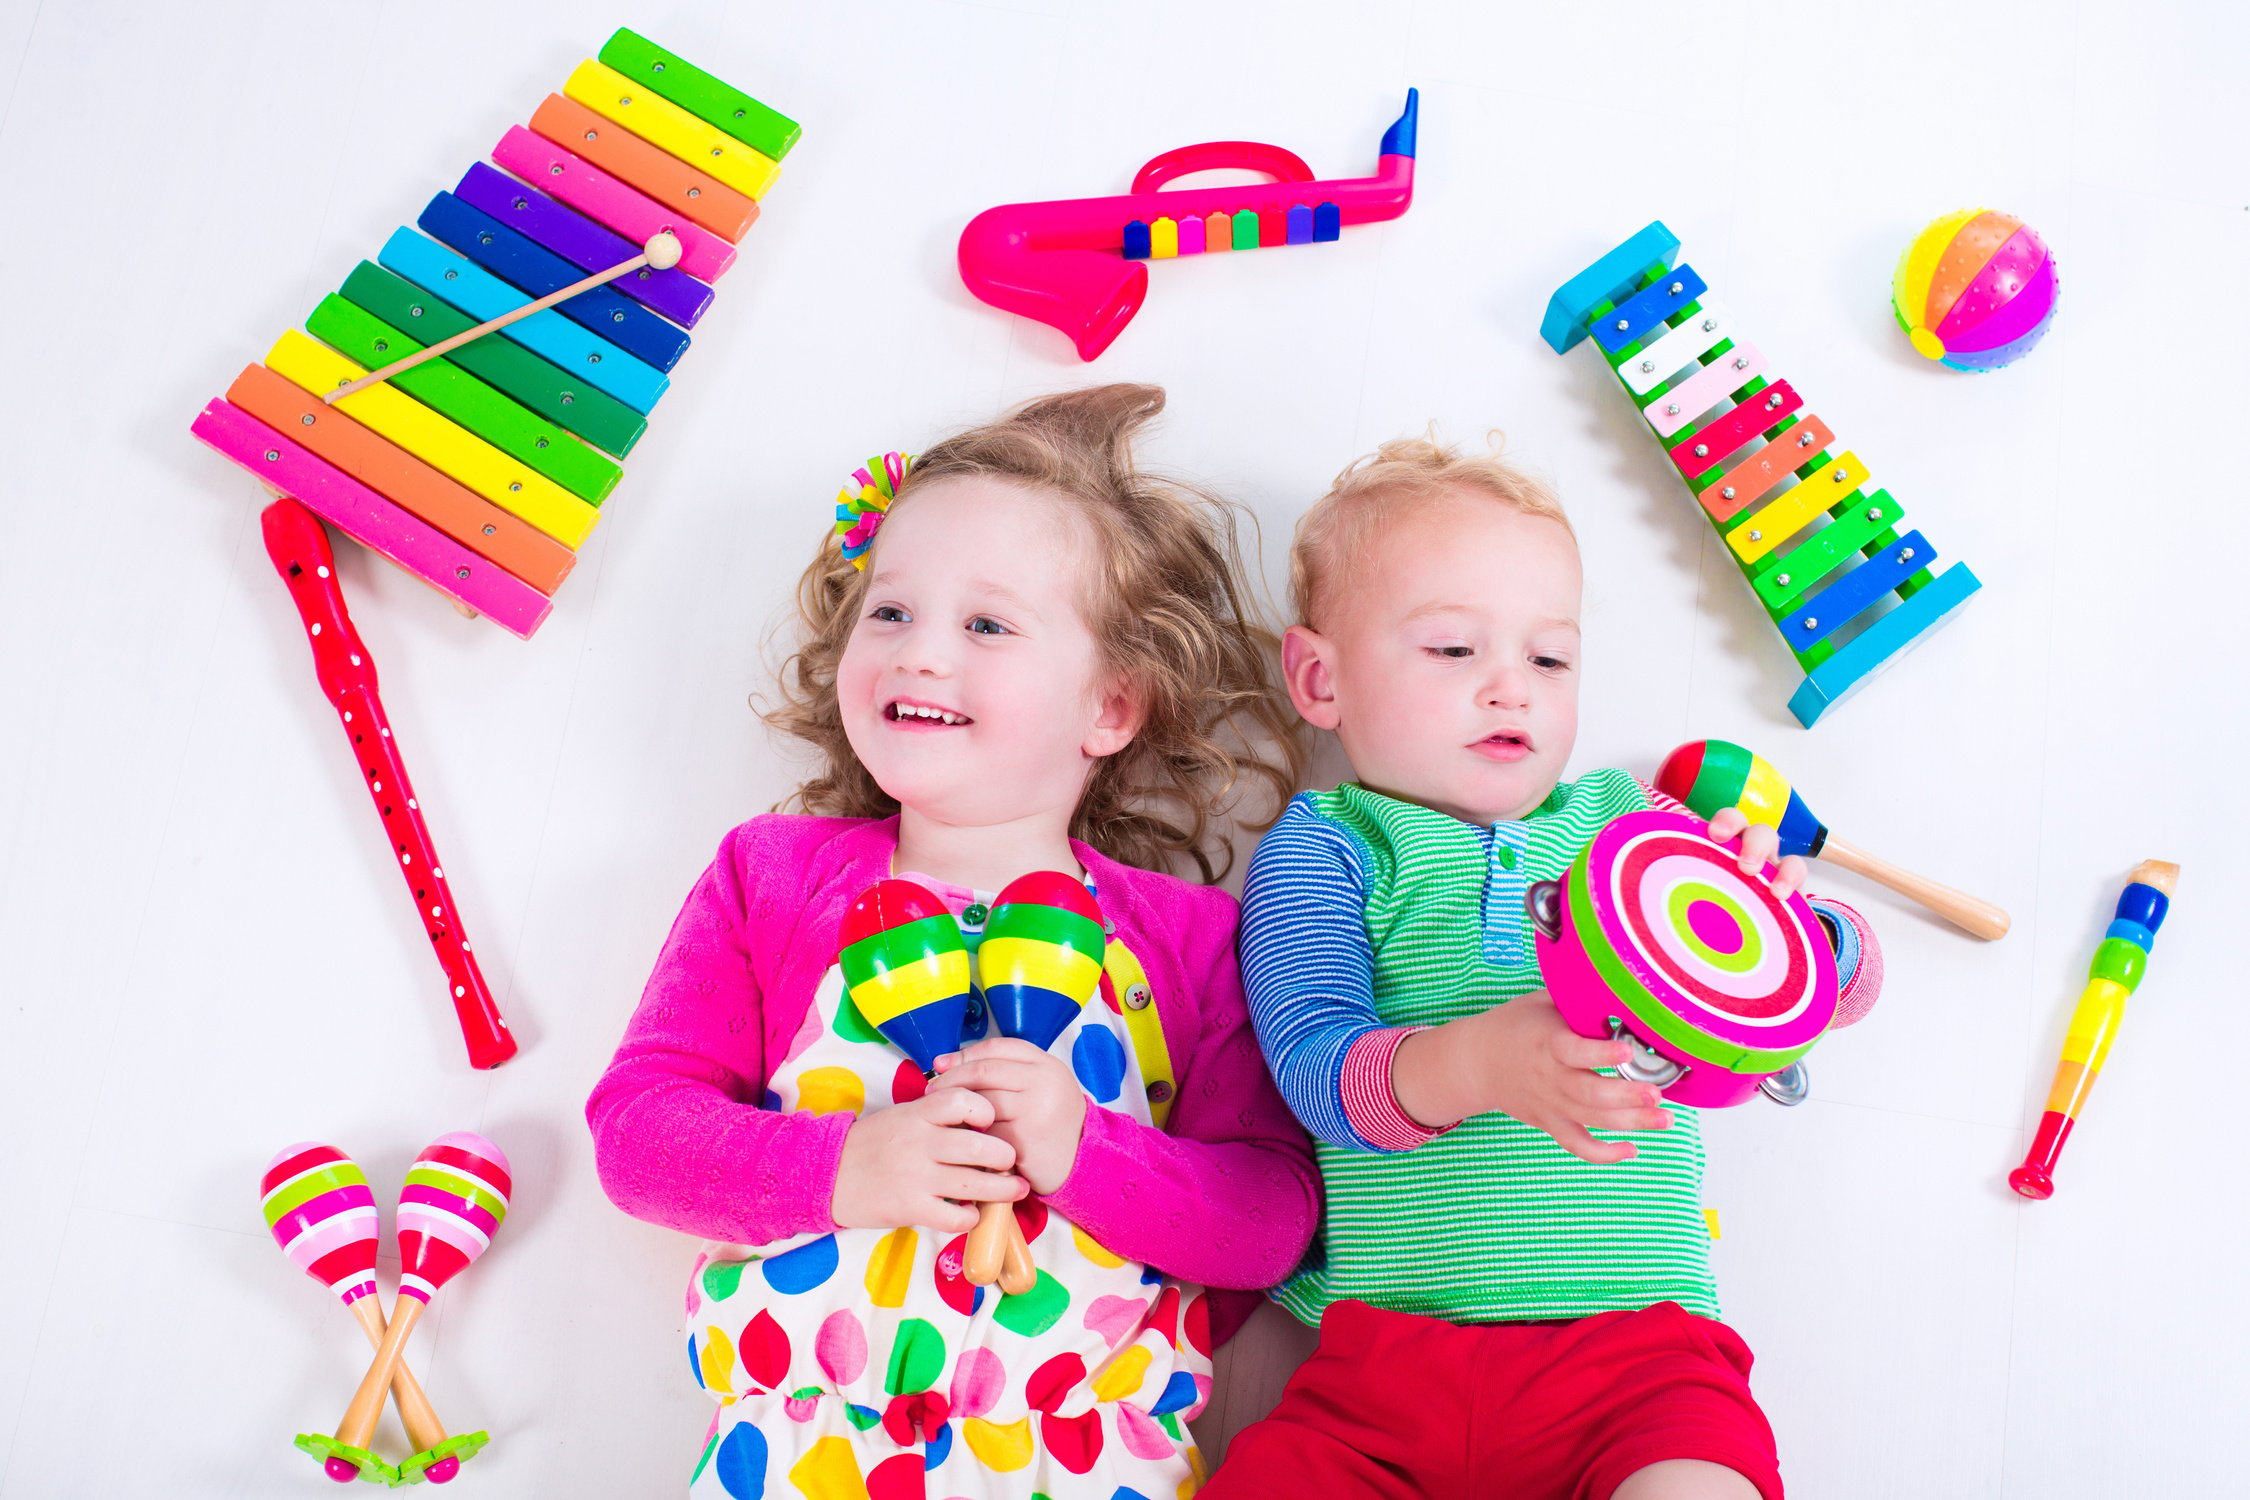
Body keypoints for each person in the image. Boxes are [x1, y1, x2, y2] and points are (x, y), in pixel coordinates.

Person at [586, 385, 1320, 1497]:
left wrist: (1087, 1153)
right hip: (802, 1450)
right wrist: (844, 1167)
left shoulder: (1188, 939)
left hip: (1082, 1455)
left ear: (1111, 707)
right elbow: (639, 1135)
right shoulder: (773, 878)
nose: (920, 654)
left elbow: (1269, 1221)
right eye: (890, 613)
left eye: (985, 625)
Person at [1211, 435, 1883, 1500]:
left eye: (1549, 659)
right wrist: (1478, 1066)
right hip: (1383, 1378)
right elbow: (1315, 1071)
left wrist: (1802, 934)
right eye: (1451, 652)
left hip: (1640, 1359)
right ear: (1320, 678)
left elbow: (1834, 992)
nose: (1509, 691)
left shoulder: (1635, 826)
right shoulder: (1332, 842)